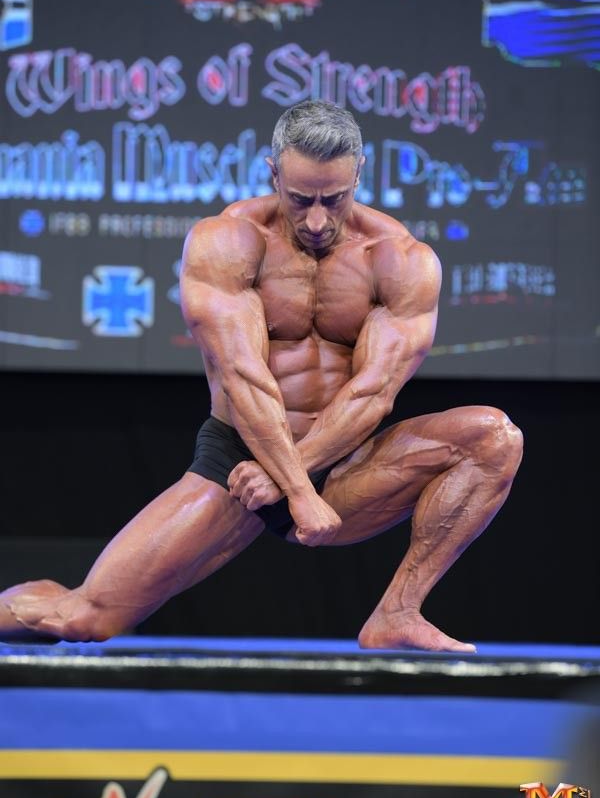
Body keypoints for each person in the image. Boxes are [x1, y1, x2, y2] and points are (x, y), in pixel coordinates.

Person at [0, 100, 523, 651]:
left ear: (359, 174)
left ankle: (398, 611)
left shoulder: (400, 259)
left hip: (343, 461)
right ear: (273, 173)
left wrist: (295, 475)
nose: (317, 220)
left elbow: (374, 391)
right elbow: (243, 376)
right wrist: (292, 487)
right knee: (81, 618)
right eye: (300, 199)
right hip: (238, 461)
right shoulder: (229, 241)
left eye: (333, 199)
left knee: (494, 438)